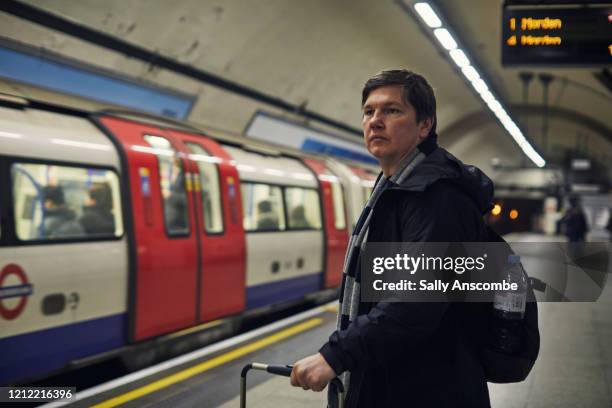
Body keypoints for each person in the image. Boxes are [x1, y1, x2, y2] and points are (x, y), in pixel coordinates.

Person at [290, 70, 494, 407]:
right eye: (369, 112)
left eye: (392, 111)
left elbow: (417, 300)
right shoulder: (395, 187)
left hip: (427, 388)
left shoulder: (437, 197)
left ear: (425, 126)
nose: (376, 121)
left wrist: (335, 356)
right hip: (399, 378)